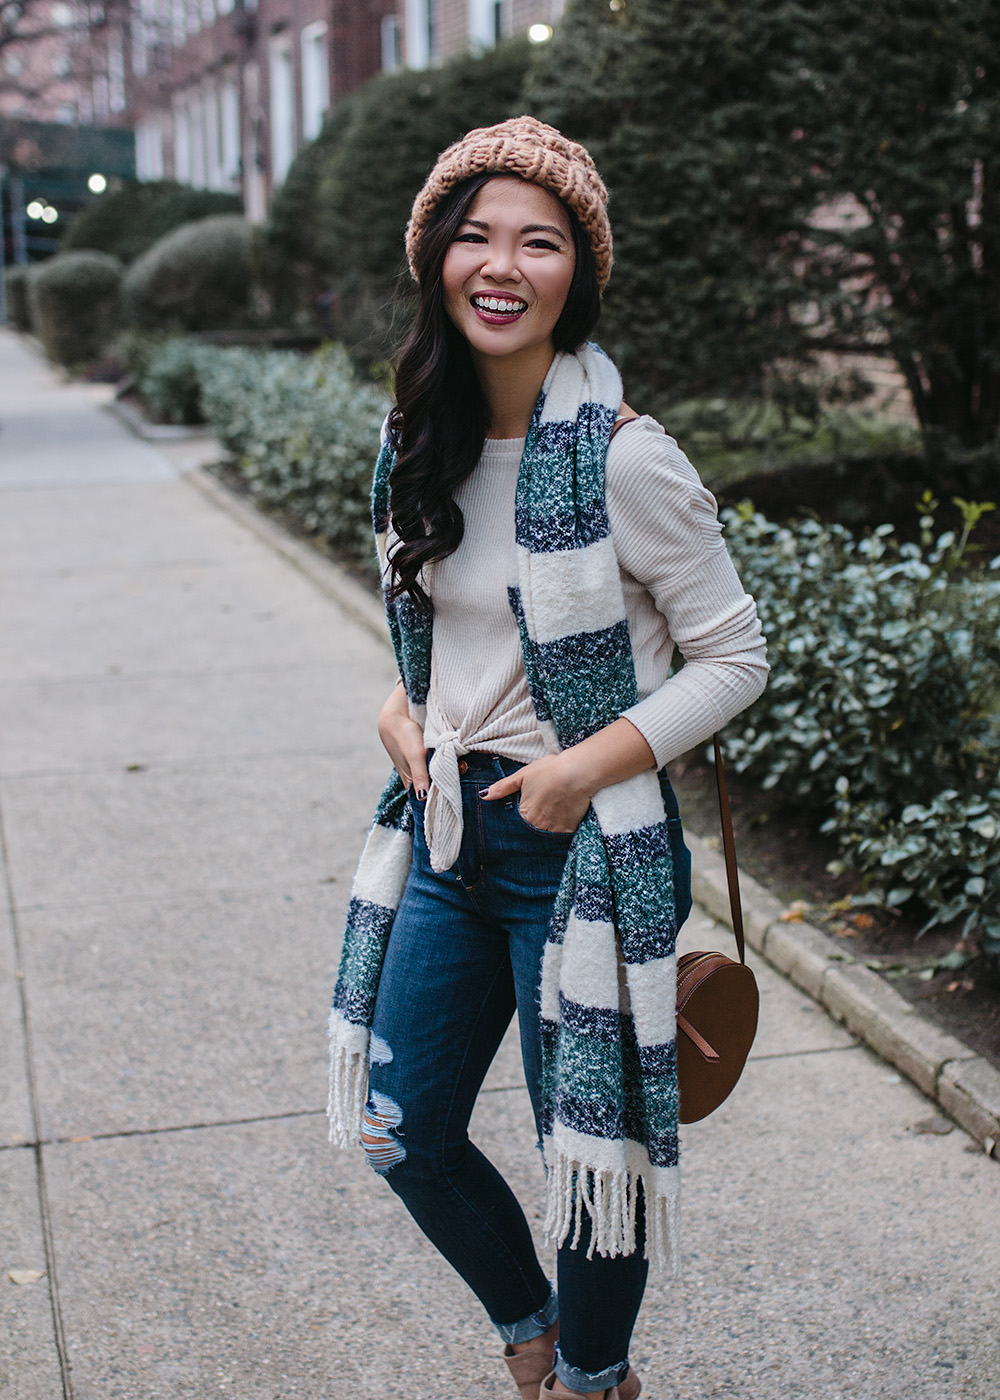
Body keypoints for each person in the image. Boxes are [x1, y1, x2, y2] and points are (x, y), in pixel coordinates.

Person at [328, 117, 768, 1400]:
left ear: (578, 269)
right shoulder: (415, 435)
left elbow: (736, 656)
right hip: (449, 830)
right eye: (473, 235)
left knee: (589, 1142)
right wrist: (400, 716)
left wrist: (588, 765)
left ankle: (589, 1374)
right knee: (394, 1124)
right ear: (436, 261)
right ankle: (534, 1330)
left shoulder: (626, 456)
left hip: (581, 845)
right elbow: (430, 633)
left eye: (539, 238)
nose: (500, 263)